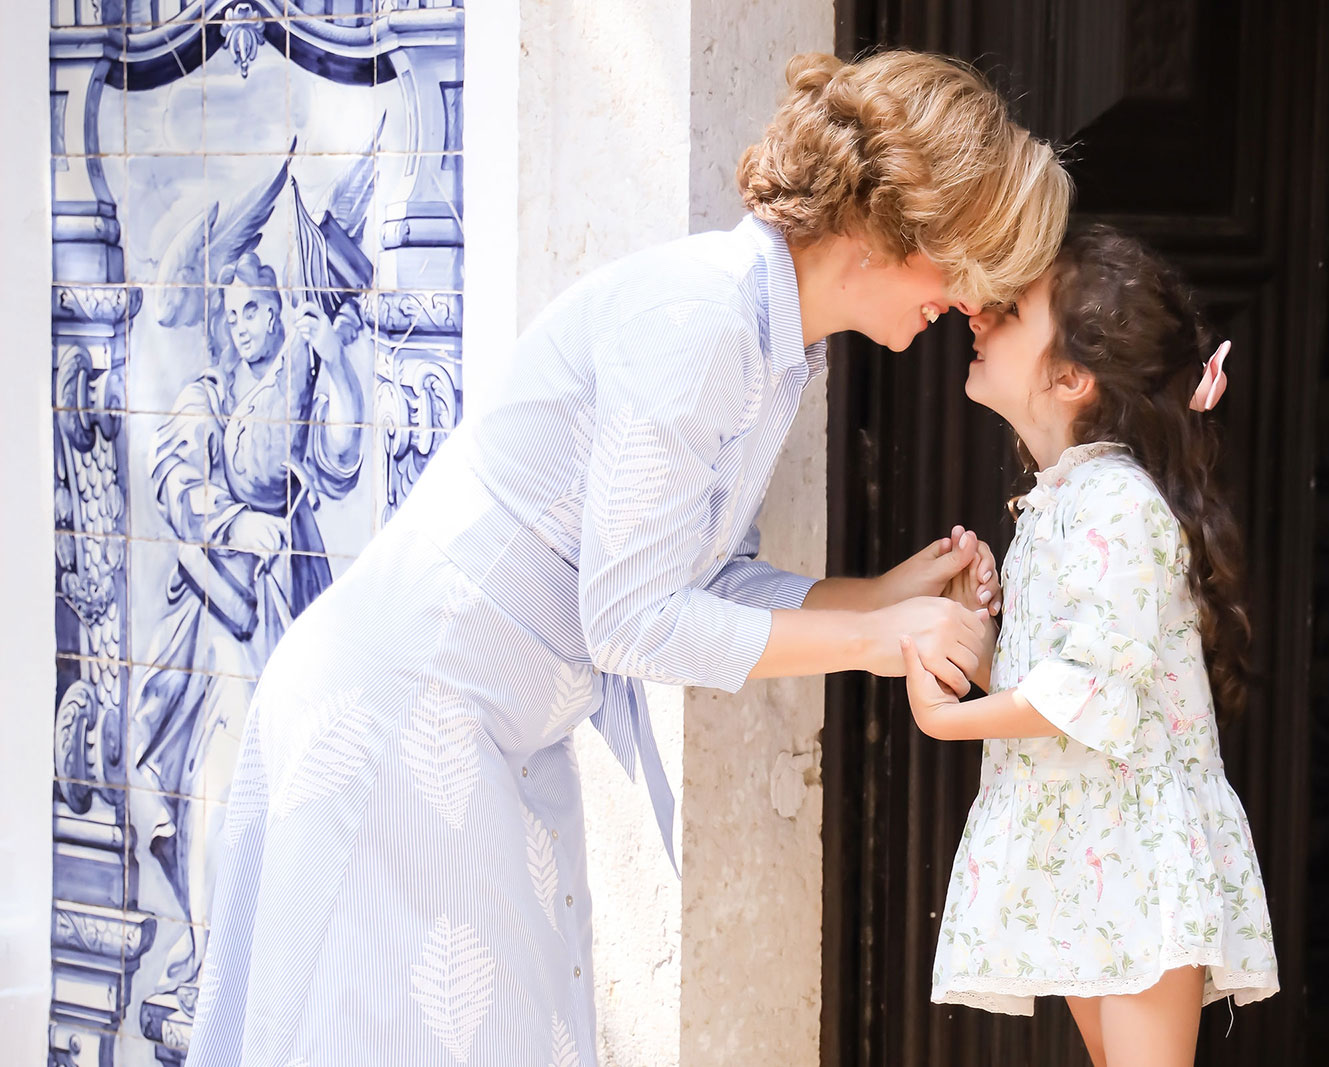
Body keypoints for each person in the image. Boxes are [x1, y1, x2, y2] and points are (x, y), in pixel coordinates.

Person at [186, 51, 1071, 1066]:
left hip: (478, 730)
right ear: (882, 228)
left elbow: (696, 581)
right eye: (966, 260)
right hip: (403, 722)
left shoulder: (765, 339)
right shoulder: (702, 321)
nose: (968, 300)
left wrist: (880, 598)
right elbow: (631, 621)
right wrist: (879, 634)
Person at [901, 225, 1278, 1066]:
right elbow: (1073, 685)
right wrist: (986, 639)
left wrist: (944, 716)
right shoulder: (1062, 500)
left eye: (1012, 309)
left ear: (1071, 377)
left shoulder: (1117, 504)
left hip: (1134, 855)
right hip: (1092, 844)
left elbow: (1088, 699)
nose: (981, 315)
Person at [128, 252, 365, 991]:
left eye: (254, 311)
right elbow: (172, 483)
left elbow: (343, 455)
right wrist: (234, 523)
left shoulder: (298, 374)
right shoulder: (207, 394)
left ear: (276, 309)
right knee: (218, 781)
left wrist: (338, 366)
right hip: (219, 609)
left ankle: (278, 953)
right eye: (230, 315)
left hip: (289, 594)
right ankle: (210, 955)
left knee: (303, 771)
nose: (241, 325)